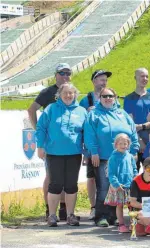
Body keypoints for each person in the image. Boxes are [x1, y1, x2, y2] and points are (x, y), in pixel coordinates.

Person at [84, 87, 140, 227]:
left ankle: (114, 216)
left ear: (115, 97)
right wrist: (94, 152)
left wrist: (134, 151)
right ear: (100, 98)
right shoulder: (94, 114)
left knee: (120, 186)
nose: (108, 98)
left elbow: (133, 133)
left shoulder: (123, 114)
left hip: (124, 157)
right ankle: (101, 216)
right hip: (103, 157)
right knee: (104, 187)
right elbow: (89, 134)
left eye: (110, 96)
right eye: (104, 96)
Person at [36, 83, 87, 227]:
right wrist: (40, 146)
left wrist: (87, 152)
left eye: (71, 93)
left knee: (71, 185)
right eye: (65, 93)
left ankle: (71, 215)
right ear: (59, 94)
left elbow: (87, 133)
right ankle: (52, 215)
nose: (68, 95)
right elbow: (41, 128)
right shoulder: (51, 109)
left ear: (75, 95)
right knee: (55, 185)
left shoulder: (82, 111)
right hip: (54, 153)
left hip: (74, 153)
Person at [28, 63, 71, 221]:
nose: (65, 76)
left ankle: (64, 209)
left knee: (67, 177)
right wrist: (39, 131)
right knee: (52, 176)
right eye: (62, 73)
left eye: (68, 73)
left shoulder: (70, 92)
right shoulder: (48, 92)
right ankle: (49, 209)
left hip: (67, 143)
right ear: (56, 75)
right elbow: (31, 109)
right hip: (51, 143)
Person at [80, 69, 111, 221]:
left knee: (108, 180)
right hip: (92, 148)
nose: (103, 82)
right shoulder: (86, 100)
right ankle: (93, 207)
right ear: (94, 81)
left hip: (108, 148)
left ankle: (111, 209)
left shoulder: (111, 99)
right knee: (92, 178)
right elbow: (79, 123)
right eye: (100, 79)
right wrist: (87, 112)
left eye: (105, 80)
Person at [124, 68, 150, 172]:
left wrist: (142, 126)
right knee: (133, 172)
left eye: (147, 76)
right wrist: (139, 140)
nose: (145, 78)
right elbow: (130, 124)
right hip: (135, 141)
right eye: (142, 76)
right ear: (135, 78)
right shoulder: (129, 98)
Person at [104, 133, 138, 233]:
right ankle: (121, 224)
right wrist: (116, 184)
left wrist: (135, 180)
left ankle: (133, 224)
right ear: (116, 145)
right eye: (121, 144)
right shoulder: (113, 158)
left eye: (125, 143)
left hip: (129, 185)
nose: (123, 146)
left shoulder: (130, 156)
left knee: (132, 205)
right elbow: (111, 173)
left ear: (128, 144)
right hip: (119, 186)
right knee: (119, 205)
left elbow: (134, 169)